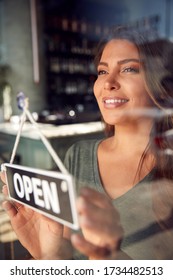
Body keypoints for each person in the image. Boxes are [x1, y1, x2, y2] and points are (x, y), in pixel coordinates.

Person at [1, 26, 173, 260]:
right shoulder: (77, 156)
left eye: (129, 69)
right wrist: (49, 257)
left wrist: (108, 259)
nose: (108, 83)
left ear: (160, 86)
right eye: (102, 72)